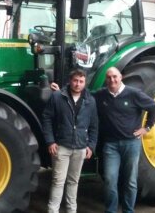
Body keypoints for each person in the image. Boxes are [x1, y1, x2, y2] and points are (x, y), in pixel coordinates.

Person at [95, 67, 155, 213]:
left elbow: (154, 107)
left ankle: (128, 210)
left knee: (130, 181)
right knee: (110, 180)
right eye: (109, 77)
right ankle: (111, 210)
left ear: (121, 77)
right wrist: (61, 89)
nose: (112, 80)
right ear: (106, 79)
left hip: (131, 144)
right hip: (110, 145)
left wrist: (147, 128)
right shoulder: (101, 95)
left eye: (115, 77)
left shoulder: (133, 94)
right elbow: (82, 92)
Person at [42, 69, 99, 213]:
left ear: (85, 82)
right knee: (58, 181)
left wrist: (91, 145)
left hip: (80, 148)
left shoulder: (90, 100)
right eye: (75, 80)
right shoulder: (57, 97)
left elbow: (94, 125)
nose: (78, 84)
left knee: (74, 182)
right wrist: (50, 141)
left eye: (81, 81)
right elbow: (47, 118)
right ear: (70, 81)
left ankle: (71, 210)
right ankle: (52, 210)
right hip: (61, 147)